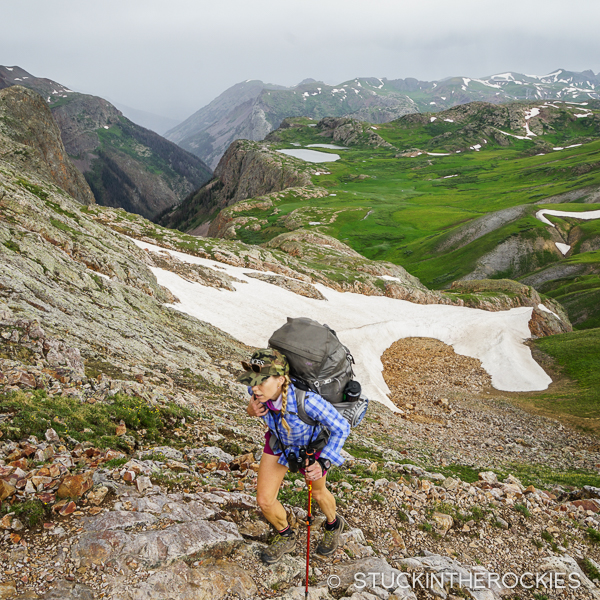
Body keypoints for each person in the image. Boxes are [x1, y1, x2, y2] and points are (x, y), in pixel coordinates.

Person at [238, 348, 351, 564]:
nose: (254, 387)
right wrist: (250, 410)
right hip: (279, 443)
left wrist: (324, 460)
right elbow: (251, 404)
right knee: (264, 500)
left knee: (318, 493)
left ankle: (333, 523)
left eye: (262, 380)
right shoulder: (257, 394)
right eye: (252, 379)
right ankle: (286, 534)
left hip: (310, 449)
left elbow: (342, 428)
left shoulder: (307, 401)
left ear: (280, 379)